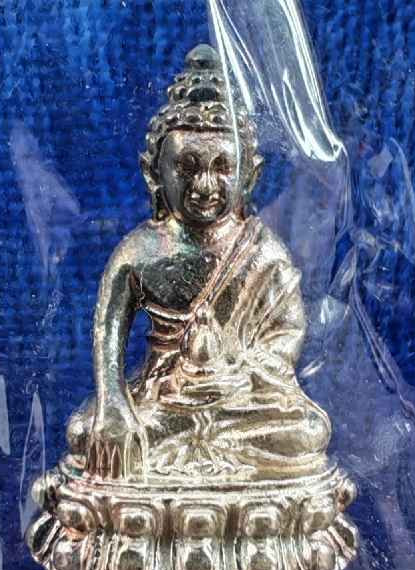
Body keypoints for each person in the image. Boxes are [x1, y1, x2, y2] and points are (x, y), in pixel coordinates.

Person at [67, 44, 330, 481]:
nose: (205, 185)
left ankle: (192, 455)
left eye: (223, 167)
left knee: (307, 432)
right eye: (187, 167)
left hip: (242, 402)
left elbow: (286, 336)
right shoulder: (140, 252)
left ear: (250, 175)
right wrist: (113, 405)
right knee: (84, 431)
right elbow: (107, 335)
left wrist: (237, 372)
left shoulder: (263, 252)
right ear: (154, 173)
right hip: (162, 399)